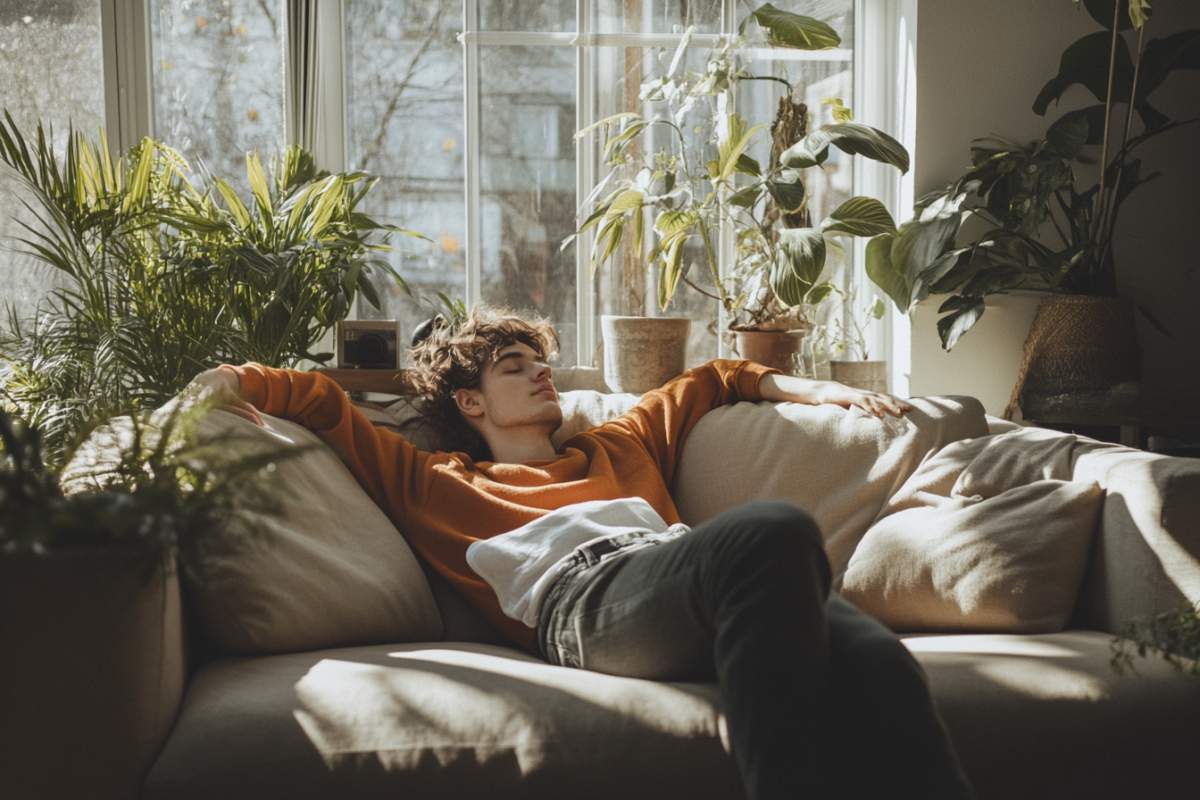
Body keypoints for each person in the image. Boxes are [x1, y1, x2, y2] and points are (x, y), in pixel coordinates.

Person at [203, 305, 974, 799]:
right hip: (588, 606)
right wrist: (227, 381)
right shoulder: (435, 481)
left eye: (541, 362)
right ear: (470, 403)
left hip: (694, 580)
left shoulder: (618, 443)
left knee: (880, 665)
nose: (542, 373)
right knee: (774, 534)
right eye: (515, 369)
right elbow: (322, 403)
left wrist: (812, 391)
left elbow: (711, 378)